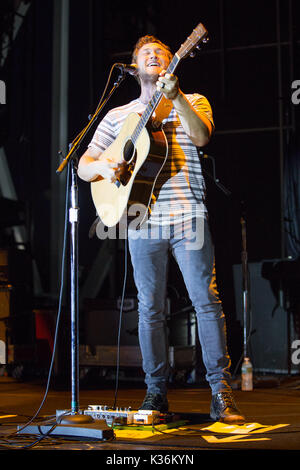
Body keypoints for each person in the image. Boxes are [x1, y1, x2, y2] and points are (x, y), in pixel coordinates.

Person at [77, 35, 245, 424]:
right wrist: (103, 167)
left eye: (162, 53)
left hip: (188, 215)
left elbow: (202, 136)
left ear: (173, 61)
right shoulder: (117, 116)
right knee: (149, 308)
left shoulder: (193, 98)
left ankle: (220, 389)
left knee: (206, 300)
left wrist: (179, 96)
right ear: (134, 67)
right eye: (145, 54)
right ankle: (155, 393)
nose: (153, 56)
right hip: (138, 215)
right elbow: (84, 163)